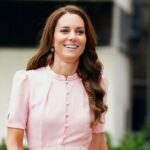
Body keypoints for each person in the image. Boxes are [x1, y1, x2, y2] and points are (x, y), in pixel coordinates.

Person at [6, 5, 108, 150]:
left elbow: (98, 145)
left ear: (86, 40)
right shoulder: (27, 81)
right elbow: (14, 143)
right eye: (64, 30)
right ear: (52, 39)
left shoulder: (97, 84)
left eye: (79, 32)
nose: (73, 37)